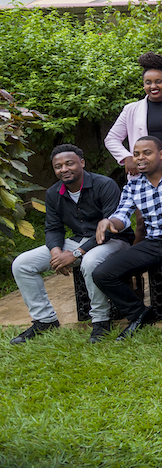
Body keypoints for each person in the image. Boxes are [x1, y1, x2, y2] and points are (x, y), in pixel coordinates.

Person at [10, 145, 132, 345]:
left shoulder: (105, 185)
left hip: (115, 240)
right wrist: (56, 253)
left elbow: (111, 227)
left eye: (69, 163)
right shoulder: (53, 193)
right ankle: (45, 320)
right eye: (58, 166)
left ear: (82, 163)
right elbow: (53, 228)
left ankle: (101, 320)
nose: (64, 169)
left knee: (90, 261)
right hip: (79, 240)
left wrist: (76, 253)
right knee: (22, 264)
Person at [91, 136, 162, 342]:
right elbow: (122, 216)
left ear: (161, 154)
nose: (140, 158)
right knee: (103, 273)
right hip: (153, 243)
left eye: (147, 153)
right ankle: (139, 313)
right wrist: (109, 221)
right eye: (136, 154)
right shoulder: (133, 186)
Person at [104, 52, 162, 173]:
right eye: (148, 82)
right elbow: (111, 139)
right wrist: (127, 157)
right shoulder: (131, 110)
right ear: (143, 84)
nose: (153, 86)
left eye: (158, 81)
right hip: (143, 173)